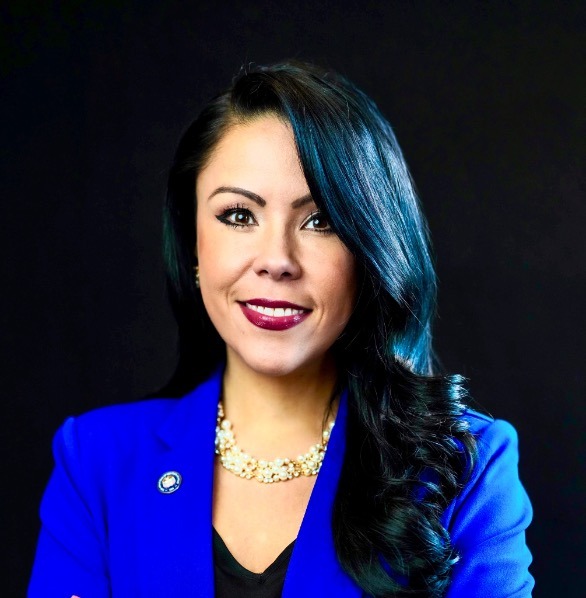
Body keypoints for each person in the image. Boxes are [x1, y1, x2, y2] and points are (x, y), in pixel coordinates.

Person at [28, 61, 533, 597]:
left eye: (321, 221)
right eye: (239, 216)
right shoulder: (98, 462)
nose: (276, 261)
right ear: (193, 241)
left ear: (371, 250)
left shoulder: (466, 468)